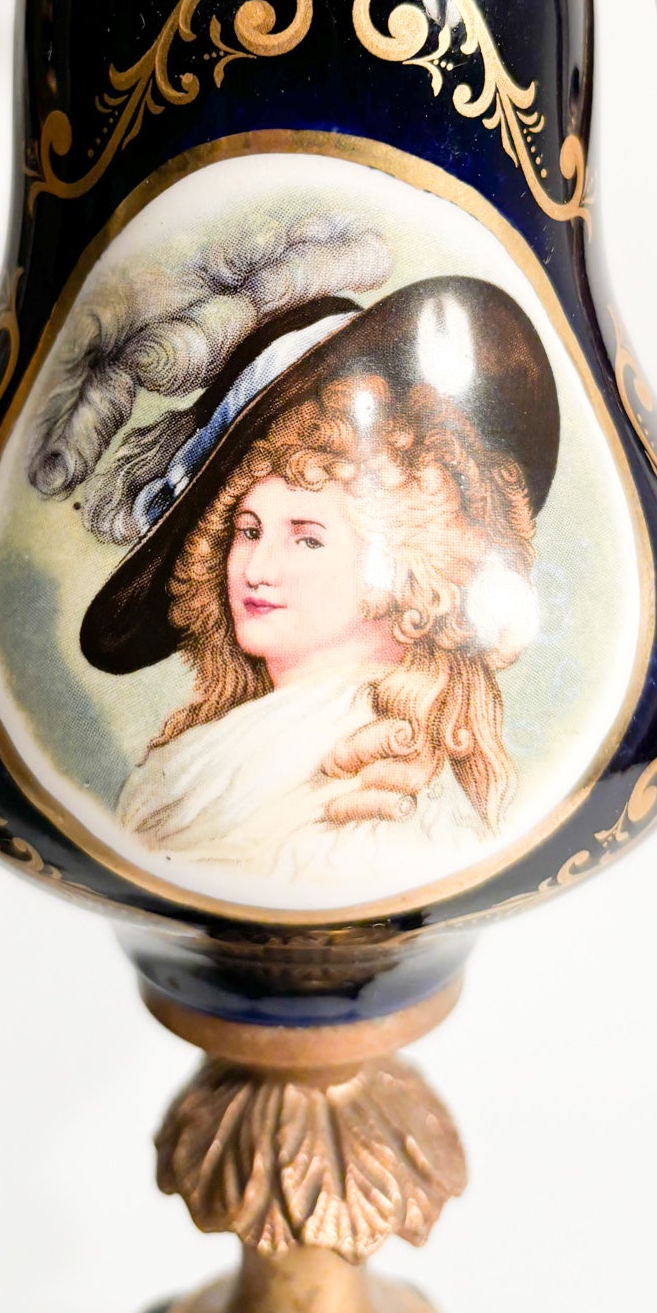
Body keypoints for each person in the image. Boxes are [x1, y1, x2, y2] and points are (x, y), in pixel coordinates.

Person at [70, 274, 563, 888]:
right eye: (248, 531)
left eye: (306, 537)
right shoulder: (211, 753)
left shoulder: (390, 776)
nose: (257, 569)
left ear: (409, 558)